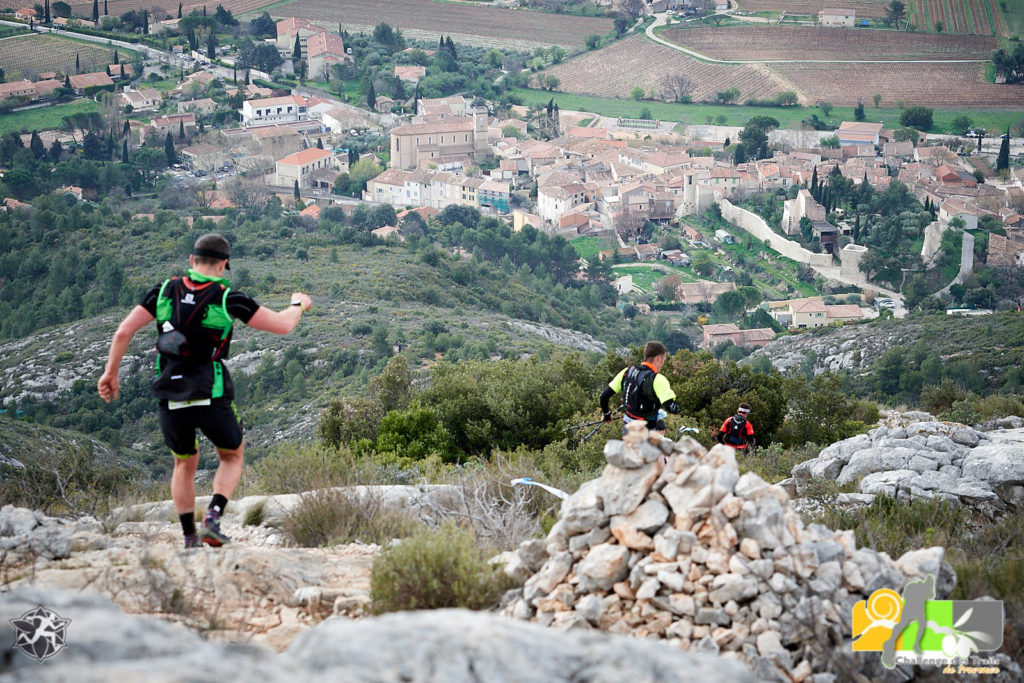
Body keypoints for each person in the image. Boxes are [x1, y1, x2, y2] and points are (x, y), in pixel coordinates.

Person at [97, 234, 313, 549]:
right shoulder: (228, 298)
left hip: (170, 393)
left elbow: (123, 331)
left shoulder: (164, 292)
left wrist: (110, 372)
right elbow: (282, 325)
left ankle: (188, 538)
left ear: (191, 261)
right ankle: (212, 517)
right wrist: (298, 304)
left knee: (184, 463)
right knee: (232, 455)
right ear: (224, 265)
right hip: (210, 392)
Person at [600, 341, 681, 433]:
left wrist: (607, 414)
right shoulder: (657, 379)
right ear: (659, 358)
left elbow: (604, 396)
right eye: (663, 360)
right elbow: (671, 407)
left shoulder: (627, 372)